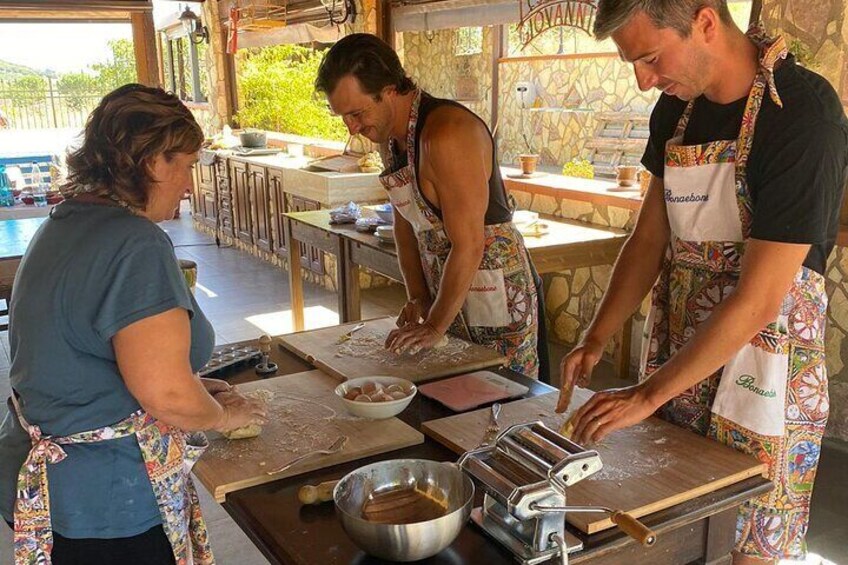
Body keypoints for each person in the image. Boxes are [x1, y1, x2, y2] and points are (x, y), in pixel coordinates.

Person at [556, 1, 848, 563]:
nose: (644, 82)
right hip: (681, 348)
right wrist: (596, 337)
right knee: (674, 519)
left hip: (766, 357)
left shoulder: (802, 115)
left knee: (751, 534)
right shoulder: (676, 112)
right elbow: (648, 240)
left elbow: (761, 297)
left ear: (706, 23)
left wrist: (645, 394)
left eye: (649, 58)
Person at [0, 84, 267, 565]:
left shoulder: (63, 222)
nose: (188, 184)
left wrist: (190, 384)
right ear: (153, 162)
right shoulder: (135, 245)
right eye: (185, 166)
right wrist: (225, 416)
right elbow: (163, 395)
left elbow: (83, 356)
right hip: (103, 495)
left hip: (47, 477)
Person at [315, 33, 547, 380]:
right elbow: (405, 225)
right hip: (447, 293)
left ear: (390, 89)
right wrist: (420, 298)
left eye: (357, 112)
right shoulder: (391, 140)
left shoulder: (447, 134)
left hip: (494, 292)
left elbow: (469, 243)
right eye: (343, 117)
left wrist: (436, 324)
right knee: (452, 397)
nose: (353, 127)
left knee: (500, 395)